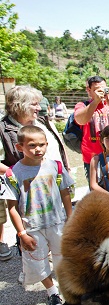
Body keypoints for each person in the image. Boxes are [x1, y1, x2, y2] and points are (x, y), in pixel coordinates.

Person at [3, 125, 74, 305]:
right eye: (32, 145)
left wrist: (71, 218)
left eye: (42, 145)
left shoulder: (55, 166)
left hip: (57, 223)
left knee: (63, 257)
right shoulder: (13, 174)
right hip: (32, 227)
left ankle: (68, 288)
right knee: (38, 262)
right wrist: (21, 233)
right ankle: (52, 293)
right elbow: (12, 207)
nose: (38, 149)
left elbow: (65, 193)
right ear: (20, 147)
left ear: (47, 145)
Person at [0, 85, 70, 265]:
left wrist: (65, 167)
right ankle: (32, 263)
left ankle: (54, 257)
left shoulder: (42, 121)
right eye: (34, 104)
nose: (39, 108)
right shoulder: (3, 128)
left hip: (51, 181)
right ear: (19, 105)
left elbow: (57, 145)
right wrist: (14, 172)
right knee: (28, 223)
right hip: (26, 187)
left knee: (53, 220)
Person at [74, 76, 109, 184]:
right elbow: (80, 120)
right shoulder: (82, 105)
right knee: (97, 192)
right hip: (91, 158)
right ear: (88, 90)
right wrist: (95, 102)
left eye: (103, 89)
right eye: (96, 90)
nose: (101, 92)